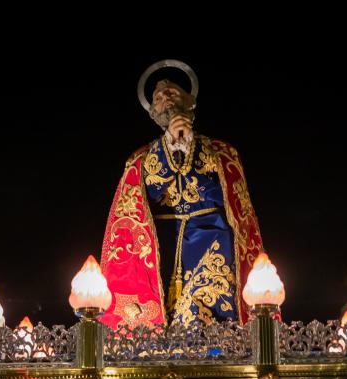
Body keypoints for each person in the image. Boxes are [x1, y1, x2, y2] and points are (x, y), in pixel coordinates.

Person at [99, 61, 264, 329]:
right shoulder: (140, 159)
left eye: (173, 94)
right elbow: (131, 209)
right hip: (161, 241)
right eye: (159, 99)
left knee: (209, 318)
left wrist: (189, 145)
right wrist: (171, 146)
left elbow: (232, 201)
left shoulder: (223, 153)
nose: (166, 100)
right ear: (154, 113)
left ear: (190, 103)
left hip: (212, 238)